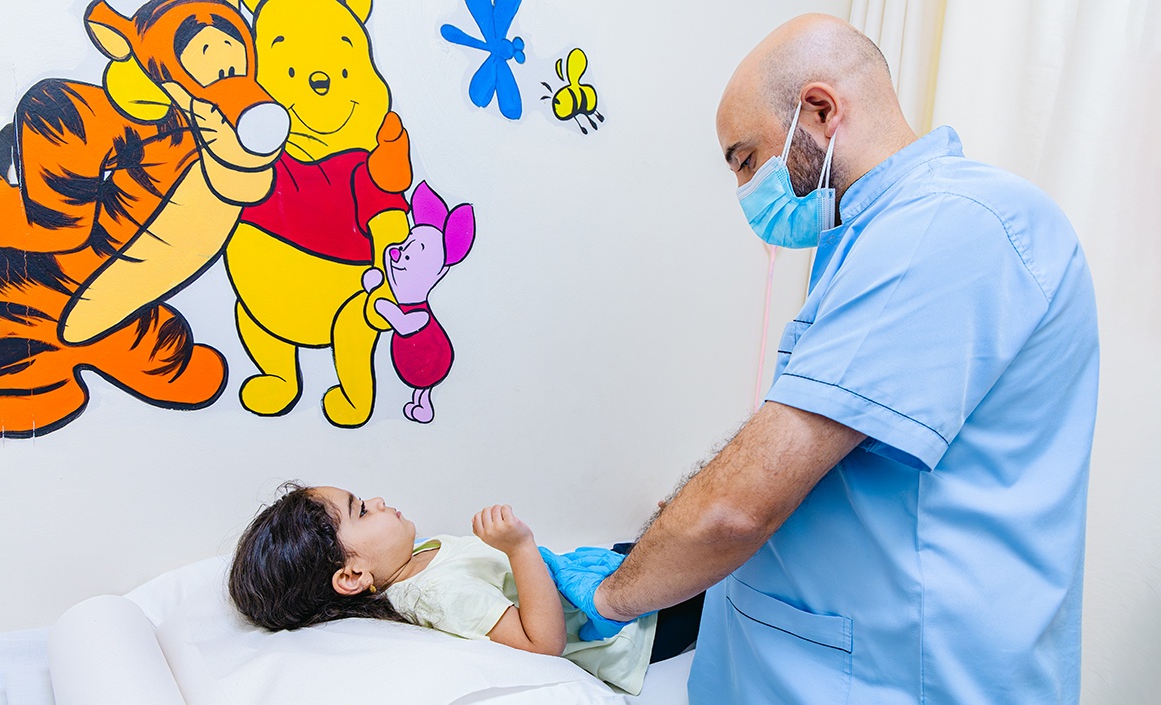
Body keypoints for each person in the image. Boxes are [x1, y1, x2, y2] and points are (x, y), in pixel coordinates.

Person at [541, 13, 1099, 704]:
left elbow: (739, 506)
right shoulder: (873, 242)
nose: (745, 190)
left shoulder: (953, 225)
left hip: (904, 678)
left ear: (820, 110)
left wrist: (613, 594)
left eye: (747, 160)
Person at [228, 483, 701, 695]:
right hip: (632, 632)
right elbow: (543, 644)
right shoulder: (437, 595)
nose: (377, 499)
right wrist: (520, 547)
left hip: (589, 576)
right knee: (717, 571)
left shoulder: (419, 557)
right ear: (352, 576)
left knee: (682, 536)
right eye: (362, 511)